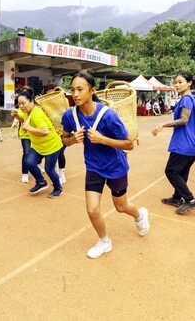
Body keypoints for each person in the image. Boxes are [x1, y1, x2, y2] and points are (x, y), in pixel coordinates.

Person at [61, 71, 149, 259]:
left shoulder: (108, 116)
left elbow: (129, 144)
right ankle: (104, 241)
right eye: (72, 90)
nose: (75, 94)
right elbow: (64, 139)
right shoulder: (70, 115)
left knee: (121, 206)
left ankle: (139, 216)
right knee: (92, 209)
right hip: (93, 167)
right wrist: (72, 141)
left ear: (92, 90)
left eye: (80, 89)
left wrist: (102, 139)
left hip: (115, 167)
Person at [151, 71, 195, 214]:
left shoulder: (186, 99)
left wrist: (163, 125)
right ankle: (176, 197)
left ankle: (190, 200)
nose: (177, 85)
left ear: (189, 83)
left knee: (171, 171)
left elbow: (184, 120)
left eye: (180, 82)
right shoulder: (192, 98)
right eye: (176, 82)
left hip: (184, 144)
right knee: (182, 171)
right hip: (194, 142)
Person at [17, 89, 63, 198]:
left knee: (49, 169)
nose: (21, 106)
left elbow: (45, 131)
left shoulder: (37, 113)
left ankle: (58, 188)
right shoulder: (27, 112)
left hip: (51, 145)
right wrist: (16, 116)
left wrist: (29, 128)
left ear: (31, 101)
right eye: (19, 104)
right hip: (38, 146)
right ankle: (41, 182)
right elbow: (24, 121)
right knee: (29, 162)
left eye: (23, 103)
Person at [11, 86, 33, 183]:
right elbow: (20, 117)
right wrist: (15, 120)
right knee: (27, 152)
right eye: (19, 103)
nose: (21, 104)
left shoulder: (36, 107)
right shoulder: (21, 107)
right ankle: (25, 174)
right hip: (25, 133)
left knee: (40, 152)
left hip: (36, 132)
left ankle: (39, 166)